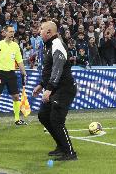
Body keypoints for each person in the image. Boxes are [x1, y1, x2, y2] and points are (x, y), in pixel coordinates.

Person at [33, 21, 77, 161]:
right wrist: (41, 85)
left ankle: (70, 153)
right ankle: (61, 146)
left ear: (49, 32)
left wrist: (49, 89)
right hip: (56, 88)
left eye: (41, 29)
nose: (39, 31)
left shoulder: (57, 44)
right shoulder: (50, 45)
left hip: (64, 88)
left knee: (56, 119)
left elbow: (58, 68)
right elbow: (50, 69)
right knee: (43, 115)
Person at [0, 25, 27, 126]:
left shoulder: (15, 45)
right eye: (10, 32)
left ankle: (17, 120)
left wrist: (24, 72)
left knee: (16, 97)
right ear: (4, 33)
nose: (12, 33)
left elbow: (19, 60)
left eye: (13, 32)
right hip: (0, 73)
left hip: (11, 73)